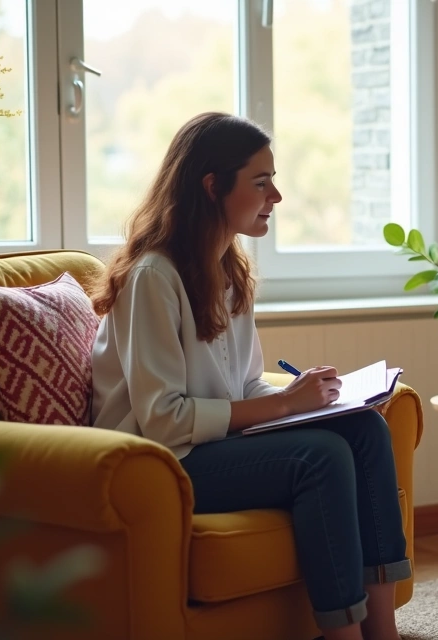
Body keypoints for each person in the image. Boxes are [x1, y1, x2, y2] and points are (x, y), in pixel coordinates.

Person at [90, 112, 409, 640]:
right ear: (213, 187)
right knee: (321, 457)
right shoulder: (153, 277)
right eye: (261, 183)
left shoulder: (228, 272)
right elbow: (163, 422)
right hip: (159, 464)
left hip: (208, 448)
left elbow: (245, 388)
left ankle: (384, 633)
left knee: (364, 431)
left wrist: (309, 397)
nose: (276, 197)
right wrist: (285, 407)